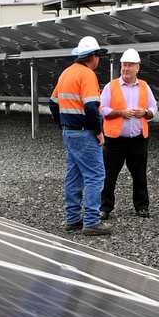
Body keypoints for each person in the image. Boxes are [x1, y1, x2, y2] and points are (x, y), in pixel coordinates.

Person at [48, 36, 111, 236]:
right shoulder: (87, 75)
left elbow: (53, 103)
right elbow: (92, 107)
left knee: (74, 175)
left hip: (70, 132)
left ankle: (73, 219)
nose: (98, 59)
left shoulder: (66, 73)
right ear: (92, 57)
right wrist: (99, 131)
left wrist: (63, 124)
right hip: (85, 133)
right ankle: (92, 222)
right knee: (95, 175)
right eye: (98, 55)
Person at [98, 48, 157, 219]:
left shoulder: (145, 87)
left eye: (130, 65)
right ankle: (105, 207)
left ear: (137, 68)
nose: (126, 68)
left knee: (139, 175)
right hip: (115, 140)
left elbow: (154, 108)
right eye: (124, 65)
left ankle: (142, 207)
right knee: (109, 175)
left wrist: (145, 112)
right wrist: (120, 112)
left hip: (138, 139)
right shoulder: (111, 86)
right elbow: (102, 109)